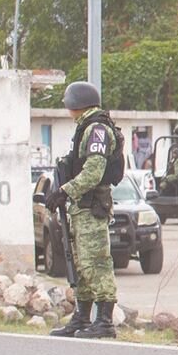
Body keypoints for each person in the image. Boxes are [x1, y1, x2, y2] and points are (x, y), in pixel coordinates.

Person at [44, 82, 124, 339]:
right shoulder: (85, 127)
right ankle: (81, 317)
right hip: (81, 207)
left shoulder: (97, 129)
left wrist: (64, 191)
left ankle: (104, 322)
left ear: (76, 103)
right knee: (79, 263)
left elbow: (94, 171)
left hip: (93, 207)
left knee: (96, 263)